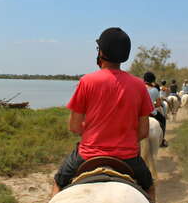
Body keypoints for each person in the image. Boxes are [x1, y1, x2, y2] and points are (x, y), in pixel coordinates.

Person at [52, 27, 156, 202]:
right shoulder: (138, 85)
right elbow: (144, 131)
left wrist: (94, 132)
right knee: (150, 188)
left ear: (101, 52)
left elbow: (74, 126)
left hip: (87, 154)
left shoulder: (87, 81)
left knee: (58, 183)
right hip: (128, 157)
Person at [143, 72, 168, 148]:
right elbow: (158, 104)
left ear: (144, 79)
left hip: (140, 113)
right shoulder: (155, 90)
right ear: (153, 81)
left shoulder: (140, 87)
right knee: (163, 119)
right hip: (152, 112)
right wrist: (151, 105)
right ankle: (162, 140)